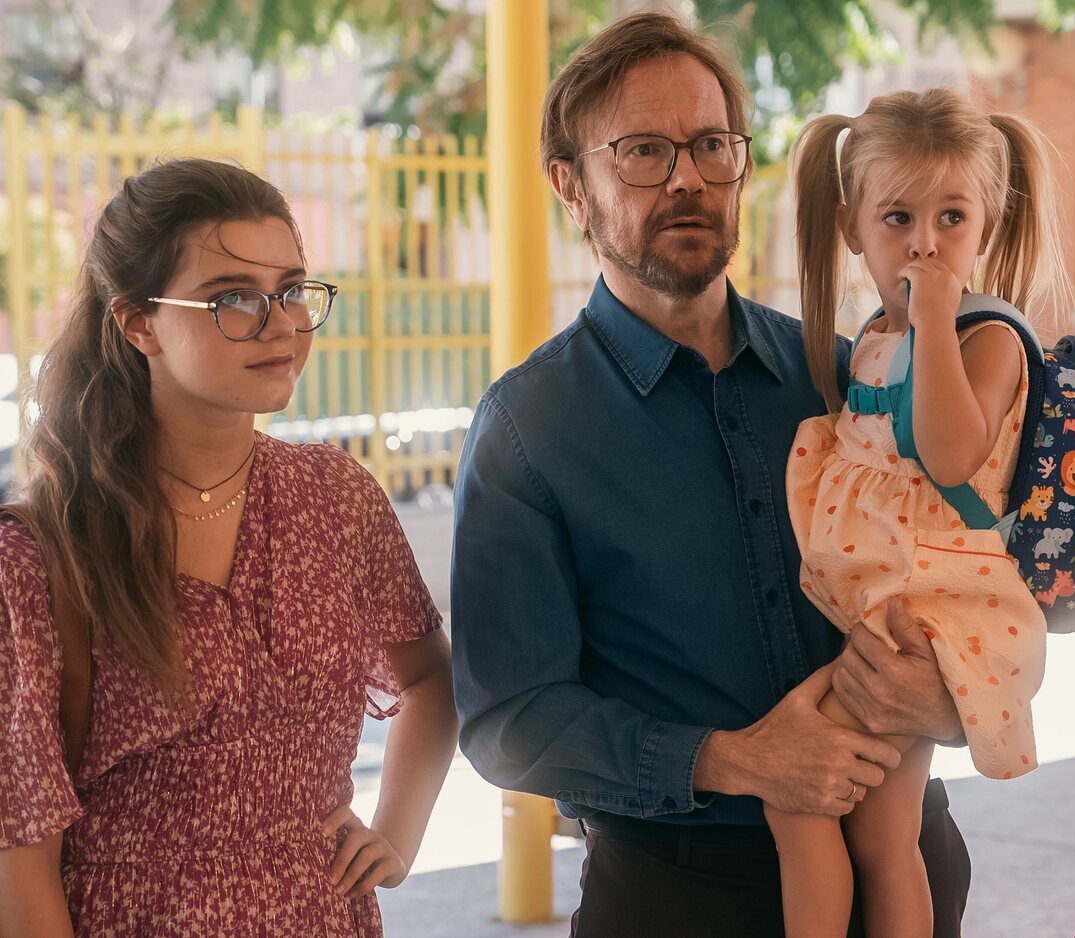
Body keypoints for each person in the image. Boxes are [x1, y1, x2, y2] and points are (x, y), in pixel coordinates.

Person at [450, 13, 972, 937]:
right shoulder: (528, 430)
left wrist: (952, 698)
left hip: (903, 867)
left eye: (711, 146)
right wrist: (732, 759)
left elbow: (969, 565)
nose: (688, 177)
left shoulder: (847, 375)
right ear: (572, 187)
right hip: (678, 892)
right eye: (644, 151)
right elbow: (507, 722)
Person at [0, 158, 458, 936]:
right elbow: (21, 858)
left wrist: (397, 833)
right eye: (233, 299)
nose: (279, 324)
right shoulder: (44, 554)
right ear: (138, 322)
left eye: (290, 290)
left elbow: (429, 677)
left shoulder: (335, 497)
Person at [775, 89, 1068, 937]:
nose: (925, 242)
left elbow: (950, 456)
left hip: (929, 607)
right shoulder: (872, 333)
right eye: (897, 217)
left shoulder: (987, 339)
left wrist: (936, 320)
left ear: (988, 226)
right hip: (886, 602)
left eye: (952, 217)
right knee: (881, 830)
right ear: (851, 227)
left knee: (799, 809)